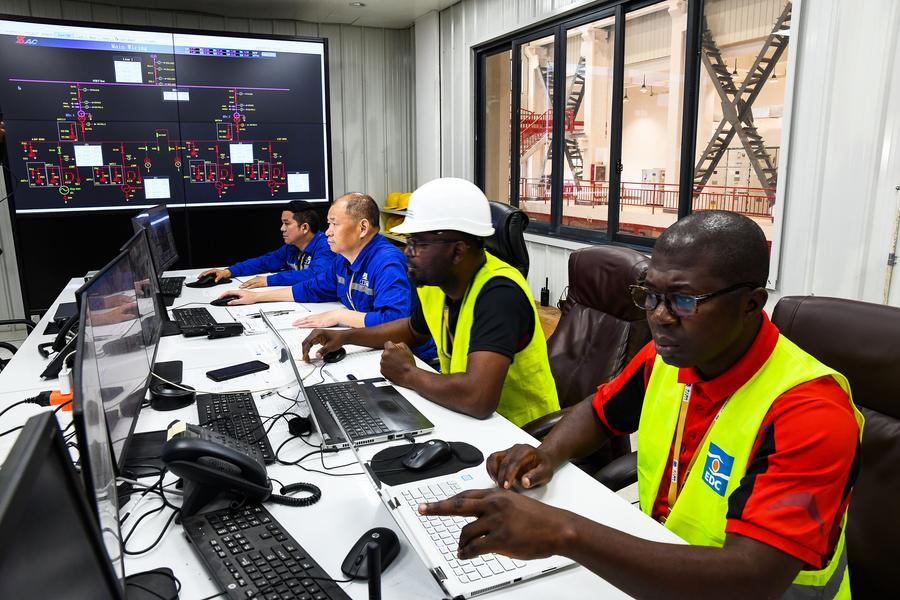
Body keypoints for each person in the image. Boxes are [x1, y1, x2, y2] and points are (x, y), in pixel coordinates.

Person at [420, 210, 864, 599]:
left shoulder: (810, 410)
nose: (659, 316)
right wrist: (546, 454)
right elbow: (600, 410)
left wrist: (564, 532)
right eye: (650, 295)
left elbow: (753, 578)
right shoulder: (670, 357)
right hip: (669, 562)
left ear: (751, 304)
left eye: (685, 300)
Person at [301, 177, 560, 427]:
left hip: (519, 435)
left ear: (458, 250)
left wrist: (408, 374)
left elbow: (478, 398)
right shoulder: (439, 281)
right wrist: (346, 338)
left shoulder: (500, 293)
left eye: (417, 243)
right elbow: (413, 330)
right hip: (462, 416)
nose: (407, 252)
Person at [221, 192, 436, 360]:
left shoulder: (387, 263)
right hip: (378, 349)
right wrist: (256, 297)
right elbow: (308, 289)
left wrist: (340, 316)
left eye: (334, 223)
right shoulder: (343, 260)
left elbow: (395, 322)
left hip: (415, 358)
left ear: (362, 228)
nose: (328, 232)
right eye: (328, 224)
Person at [199, 200, 332, 289]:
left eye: (286, 223)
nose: (282, 229)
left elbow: (315, 275)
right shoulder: (292, 247)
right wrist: (229, 271)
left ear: (304, 227)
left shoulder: (326, 246)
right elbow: (264, 262)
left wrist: (268, 281)